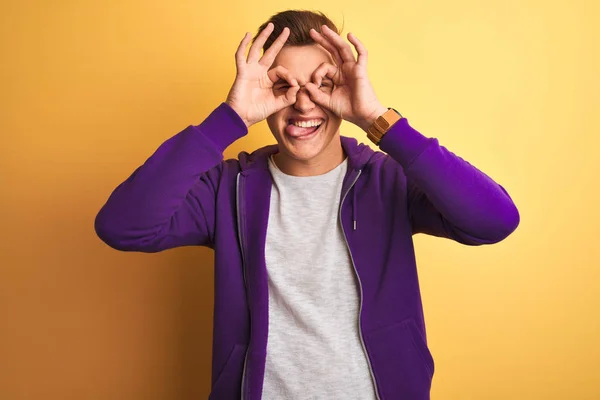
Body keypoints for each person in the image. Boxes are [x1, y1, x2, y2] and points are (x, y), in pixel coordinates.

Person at [94, 9, 520, 400]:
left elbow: (494, 220)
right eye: (283, 86)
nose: (302, 103)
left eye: (323, 85)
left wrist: (378, 120)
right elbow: (123, 226)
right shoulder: (228, 188)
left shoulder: (387, 179)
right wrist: (230, 118)